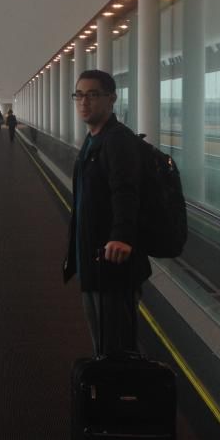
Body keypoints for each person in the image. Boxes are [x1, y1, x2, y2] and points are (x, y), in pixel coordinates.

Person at [63, 69, 150, 354]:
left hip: (112, 264)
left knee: (117, 347)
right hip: (93, 261)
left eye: (92, 95)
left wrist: (121, 236)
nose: (83, 102)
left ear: (112, 99)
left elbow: (126, 190)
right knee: (104, 343)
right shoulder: (93, 140)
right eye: (79, 95)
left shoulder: (118, 140)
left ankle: (128, 382)